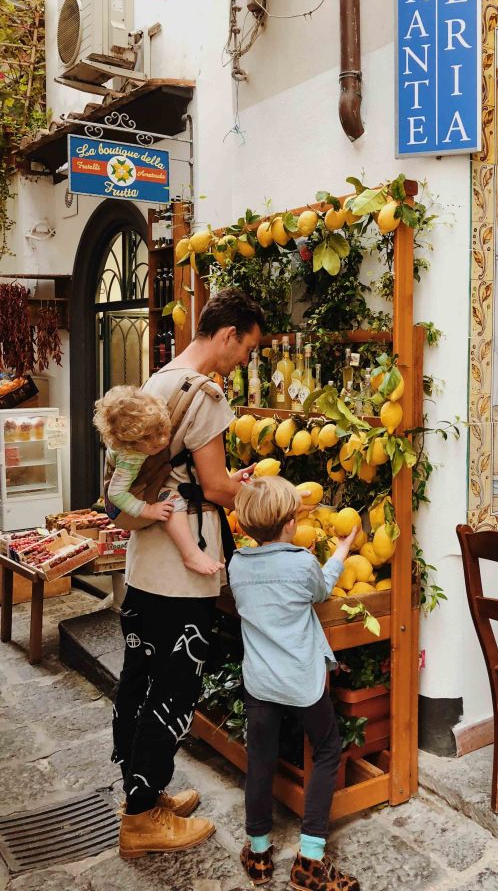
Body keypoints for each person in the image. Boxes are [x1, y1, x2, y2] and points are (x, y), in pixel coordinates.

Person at [114, 286, 265, 860]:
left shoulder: (161, 378)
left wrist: (224, 480)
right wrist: (270, 497)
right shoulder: (206, 394)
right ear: (228, 335)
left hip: (147, 561)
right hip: (183, 571)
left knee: (141, 679)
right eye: (246, 348)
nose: (244, 360)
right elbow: (218, 488)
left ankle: (144, 794)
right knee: (175, 689)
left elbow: (183, 474)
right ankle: (141, 817)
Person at [231, 476, 361, 891]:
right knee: (326, 752)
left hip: (260, 682)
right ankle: (310, 859)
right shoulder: (303, 563)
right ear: (290, 524)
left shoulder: (237, 564)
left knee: (261, 760)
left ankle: (259, 853)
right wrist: (341, 550)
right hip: (303, 682)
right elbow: (321, 591)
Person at [93, 385, 224, 576]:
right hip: (124, 508)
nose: (163, 441)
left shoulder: (140, 438)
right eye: (154, 444)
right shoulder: (130, 458)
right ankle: (190, 553)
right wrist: (148, 509)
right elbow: (115, 493)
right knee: (172, 500)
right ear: (131, 443)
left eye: (165, 432)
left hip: (133, 493)